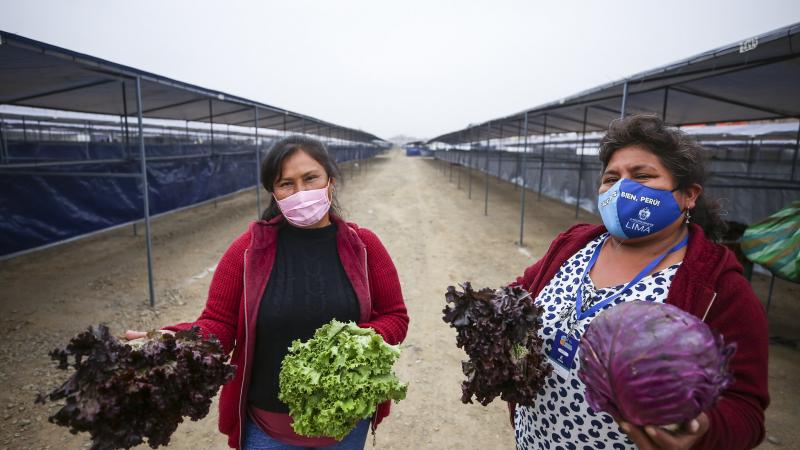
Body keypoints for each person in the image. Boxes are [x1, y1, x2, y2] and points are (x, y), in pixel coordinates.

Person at [126, 136, 409, 449]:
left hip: (346, 425)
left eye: (310, 178)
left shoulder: (364, 246)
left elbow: (395, 317)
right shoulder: (247, 252)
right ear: (274, 192)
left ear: (330, 179)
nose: (300, 192)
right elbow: (219, 324)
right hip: (267, 430)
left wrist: (355, 344)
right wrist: (172, 342)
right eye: (286, 183)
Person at [508, 115, 768, 450]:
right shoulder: (573, 245)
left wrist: (703, 430)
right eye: (611, 178)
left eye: (642, 176)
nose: (621, 189)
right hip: (533, 439)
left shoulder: (718, 287)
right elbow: (519, 296)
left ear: (689, 195)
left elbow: (745, 408)